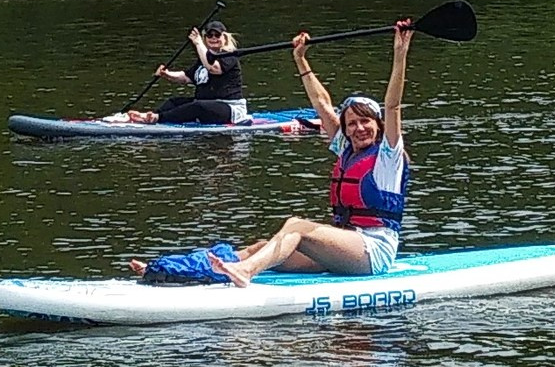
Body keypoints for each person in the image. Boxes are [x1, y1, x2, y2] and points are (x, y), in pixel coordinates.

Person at [210, 21, 413, 286]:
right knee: (262, 246)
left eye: (366, 122)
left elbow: (393, 105)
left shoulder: (388, 156)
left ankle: (246, 272)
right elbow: (321, 103)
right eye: (351, 123)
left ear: (378, 125)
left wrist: (400, 53)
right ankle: (189, 271)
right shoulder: (345, 148)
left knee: (296, 226)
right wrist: (300, 59)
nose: (359, 128)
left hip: (373, 251)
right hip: (343, 247)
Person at [112, 23, 247, 125]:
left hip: (230, 108)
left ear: (224, 37)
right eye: (209, 35)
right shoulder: (203, 58)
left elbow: (214, 69)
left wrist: (198, 43)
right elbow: (186, 77)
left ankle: (157, 119)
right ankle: (150, 116)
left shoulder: (230, 55)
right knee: (174, 102)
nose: (213, 38)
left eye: (217, 35)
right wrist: (167, 74)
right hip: (208, 104)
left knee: (197, 106)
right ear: (206, 38)